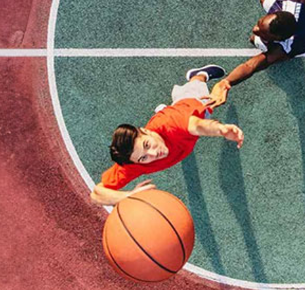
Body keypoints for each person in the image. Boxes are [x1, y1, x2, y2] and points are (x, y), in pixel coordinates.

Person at [90, 65, 243, 207]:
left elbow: (197, 126)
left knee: (205, 103)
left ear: (146, 131)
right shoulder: (134, 163)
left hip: (189, 105)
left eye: (147, 145)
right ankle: (164, 109)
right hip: (176, 136)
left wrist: (221, 129)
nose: (153, 154)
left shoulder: (172, 124)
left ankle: (199, 74)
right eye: (144, 157)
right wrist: (128, 196)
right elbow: (96, 194)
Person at [213, 0, 305, 103]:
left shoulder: (282, 48)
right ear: (276, 13)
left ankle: (278, 51)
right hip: (298, 14)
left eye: (263, 33)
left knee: (254, 40)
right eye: (259, 23)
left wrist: (227, 81)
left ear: (278, 38)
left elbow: (250, 66)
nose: (255, 29)